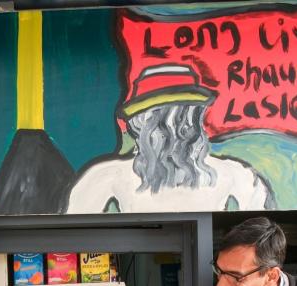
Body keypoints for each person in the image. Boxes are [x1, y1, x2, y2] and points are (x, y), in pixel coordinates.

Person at [65, 64, 272, 214]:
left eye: (183, 116)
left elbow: (260, 232)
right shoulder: (107, 175)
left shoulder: (235, 174)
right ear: (139, 124)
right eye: (159, 120)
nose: (175, 129)